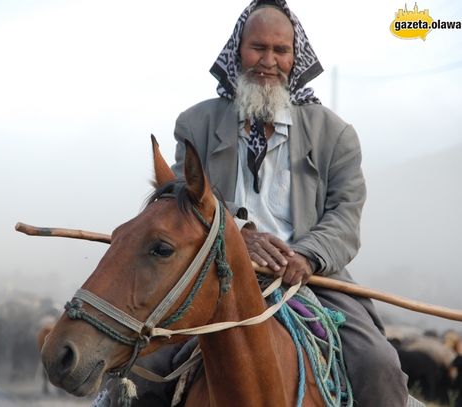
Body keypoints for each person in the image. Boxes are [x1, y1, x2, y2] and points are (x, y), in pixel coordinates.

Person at [170, 0, 409, 406]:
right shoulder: (196, 126)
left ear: (295, 58)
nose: (268, 61)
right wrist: (236, 238)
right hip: (216, 272)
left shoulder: (335, 134)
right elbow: (184, 205)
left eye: (281, 51)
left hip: (311, 280)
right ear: (236, 51)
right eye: (257, 48)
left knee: (378, 366)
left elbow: (345, 217)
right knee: (146, 366)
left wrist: (305, 256)